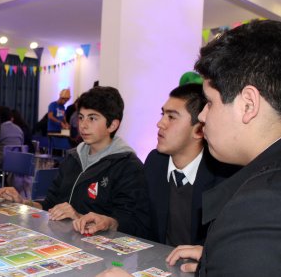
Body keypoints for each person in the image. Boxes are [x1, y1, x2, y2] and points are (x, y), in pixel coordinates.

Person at [102, 19, 281, 277]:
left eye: (210, 103)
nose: (204, 116)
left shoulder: (260, 208)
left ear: (248, 105)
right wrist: (216, 258)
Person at [0, 86, 150, 237]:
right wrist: (23, 203)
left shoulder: (128, 166)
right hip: (63, 243)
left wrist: (78, 217)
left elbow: (131, 225)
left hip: (103, 254)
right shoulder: (73, 157)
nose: (83, 125)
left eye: (93, 118)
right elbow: (50, 204)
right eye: (81, 117)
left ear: (113, 125)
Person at [145, 83, 238, 246]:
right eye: (163, 114)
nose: (160, 123)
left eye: (171, 117)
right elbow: (142, 221)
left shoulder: (223, 175)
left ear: (199, 130)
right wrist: (114, 222)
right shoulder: (155, 162)